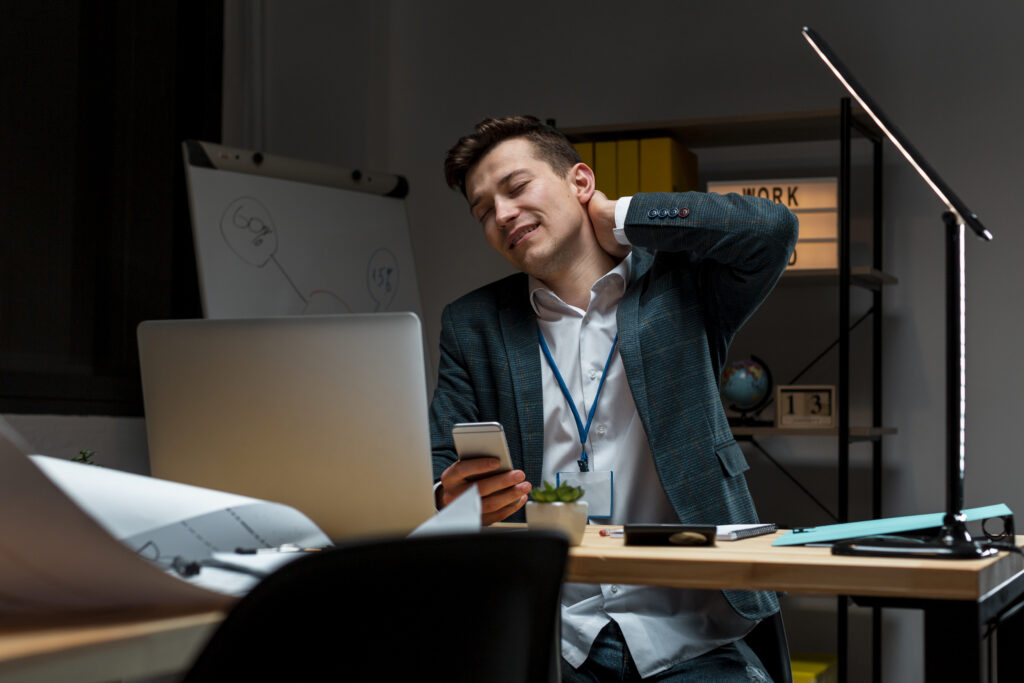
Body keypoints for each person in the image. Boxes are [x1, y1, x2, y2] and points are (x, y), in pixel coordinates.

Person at [429, 115, 797, 681]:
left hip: (694, 631)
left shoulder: (685, 285)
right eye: (482, 210)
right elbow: (439, 462)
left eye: (517, 187)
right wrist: (449, 494)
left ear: (580, 182)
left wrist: (623, 218)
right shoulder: (473, 324)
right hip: (554, 636)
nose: (501, 214)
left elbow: (772, 230)